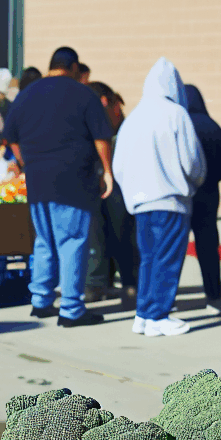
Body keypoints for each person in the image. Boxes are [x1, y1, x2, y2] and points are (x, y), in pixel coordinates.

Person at [3, 47, 113, 327]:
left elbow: (11, 136)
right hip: (73, 181)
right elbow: (101, 136)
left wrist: (26, 161)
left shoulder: (27, 94)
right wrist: (108, 171)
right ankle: (72, 309)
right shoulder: (83, 93)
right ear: (74, 67)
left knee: (44, 242)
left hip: (38, 180)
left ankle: (40, 301)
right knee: (72, 242)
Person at [113, 58, 206, 337]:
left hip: (141, 203)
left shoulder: (133, 119)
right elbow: (193, 162)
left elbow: (119, 166)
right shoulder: (176, 114)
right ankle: (158, 315)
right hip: (171, 200)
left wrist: (133, 190)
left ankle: (143, 313)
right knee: (167, 259)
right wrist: (193, 183)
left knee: (149, 258)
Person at [85, 82, 139, 307]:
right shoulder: (94, 121)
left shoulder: (126, 128)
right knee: (97, 233)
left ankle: (129, 284)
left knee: (122, 232)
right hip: (98, 183)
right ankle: (96, 283)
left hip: (120, 185)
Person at [184, 84, 221, 304]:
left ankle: (168, 299)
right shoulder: (213, 126)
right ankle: (214, 297)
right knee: (208, 249)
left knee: (175, 249)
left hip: (184, 197)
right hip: (209, 196)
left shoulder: (181, 125)